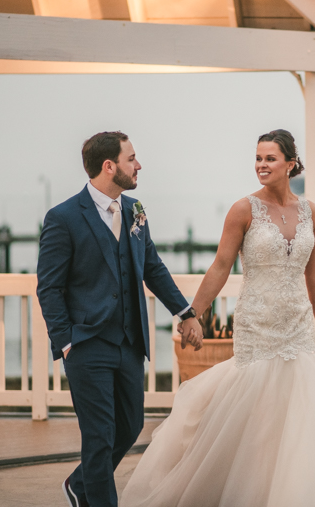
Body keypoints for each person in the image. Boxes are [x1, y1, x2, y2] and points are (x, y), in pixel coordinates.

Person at [120, 129, 315, 507]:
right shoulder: (243, 210)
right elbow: (221, 265)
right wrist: (194, 314)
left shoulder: (312, 212)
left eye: (270, 158)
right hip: (257, 324)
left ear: (290, 163)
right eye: (257, 158)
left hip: (299, 326)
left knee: (303, 414)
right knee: (258, 413)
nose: (261, 165)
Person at [36, 131, 205, 507]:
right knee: (99, 436)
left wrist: (185, 312)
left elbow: (152, 268)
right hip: (86, 344)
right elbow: (48, 288)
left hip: (129, 343)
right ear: (109, 165)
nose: (139, 164)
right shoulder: (63, 217)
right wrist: (66, 342)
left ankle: (80, 485)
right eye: (131, 158)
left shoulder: (135, 210)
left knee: (128, 427)